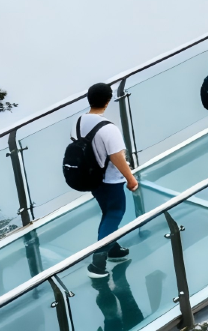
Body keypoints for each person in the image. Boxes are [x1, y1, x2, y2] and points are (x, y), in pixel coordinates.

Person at [78, 82, 140, 279]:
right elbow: (117, 157)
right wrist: (130, 179)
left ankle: (113, 249)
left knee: (107, 212)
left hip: (92, 178)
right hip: (110, 180)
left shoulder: (79, 122)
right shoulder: (108, 129)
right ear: (107, 101)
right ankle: (97, 263)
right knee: (115, 213)